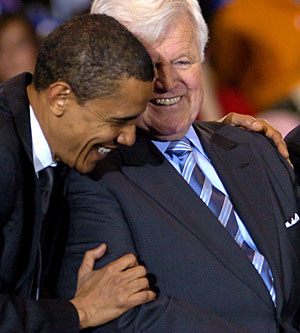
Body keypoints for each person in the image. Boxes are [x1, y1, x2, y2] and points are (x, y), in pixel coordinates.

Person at [55, 1, 300, 332]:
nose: (168, 82)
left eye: (182, 61)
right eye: (149, 67)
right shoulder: (94, 177)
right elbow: (123, 318)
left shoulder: (254, 144)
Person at [0, 13, 156, 332]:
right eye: (118, 121)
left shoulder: (55, 143)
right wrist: (79, 311)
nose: (128, 138)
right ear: (60, 98)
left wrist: (224, 138)